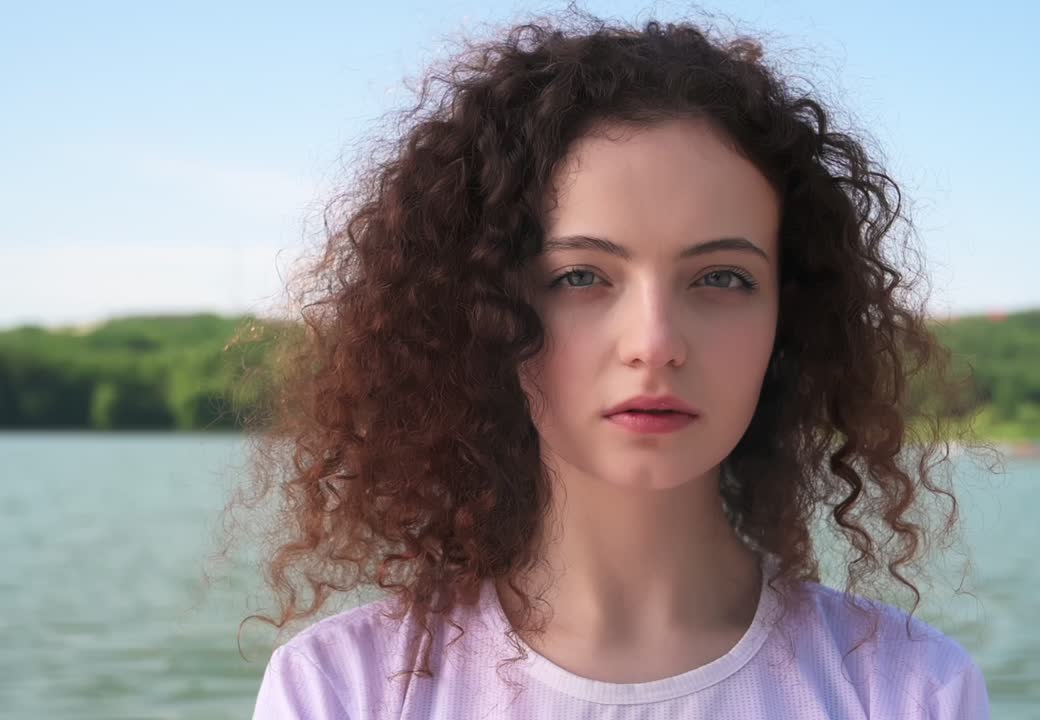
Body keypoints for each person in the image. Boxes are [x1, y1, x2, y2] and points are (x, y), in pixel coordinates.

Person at [236, 6, 990, 718]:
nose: (654, 341)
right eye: (582, 277)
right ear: (481, 316)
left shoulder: (909, 689)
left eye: (722, 278)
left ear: (789, 321)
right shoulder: (344, 689)